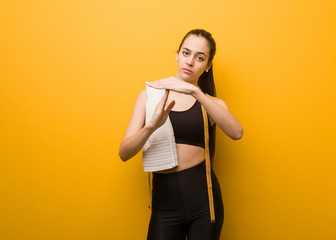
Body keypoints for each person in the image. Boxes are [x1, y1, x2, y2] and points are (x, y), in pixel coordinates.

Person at [119, 29, 243, 240]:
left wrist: (195, 91)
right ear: (177, 54)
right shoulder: (149, 96)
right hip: (164, 206)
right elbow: (124, 153)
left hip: (205, 205)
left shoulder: (210, 103)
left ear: (207, 66)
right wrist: (151, 126)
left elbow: (236, 132)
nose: (191, 61)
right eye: (186, 53)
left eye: (200, 57)